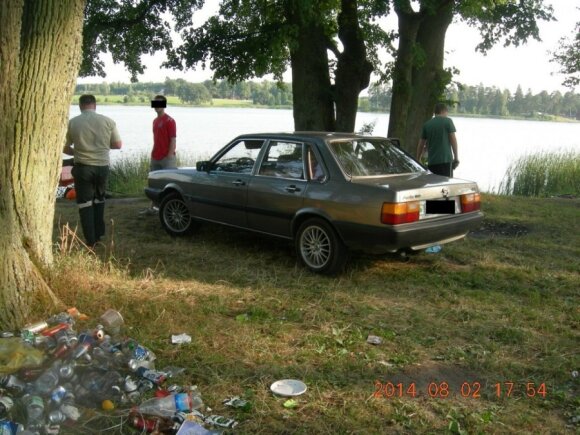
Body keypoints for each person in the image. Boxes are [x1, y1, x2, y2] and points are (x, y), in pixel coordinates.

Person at [63, 94, 122, 247]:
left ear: (80, 105)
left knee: (85, 203)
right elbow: (118, 144)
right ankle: (99, 233)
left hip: (83, 167)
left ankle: (91, 240)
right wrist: (100, 148)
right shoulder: (108, 121)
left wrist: (77, 152)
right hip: (102, 167)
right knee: (99, 199)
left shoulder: (73, 123)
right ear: (95, 105)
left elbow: (64, 146)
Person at [140, 95, 177, 215]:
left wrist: (169, 156)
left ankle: (171, 209)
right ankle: (153, 208)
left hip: (167, 158)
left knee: (170, 185)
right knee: (154, 184)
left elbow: (173, 139)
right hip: (155, 156)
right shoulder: (155, 121)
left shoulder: (170, 121)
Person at [416, 102, 459, 177]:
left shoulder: (427, 124)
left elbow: (421, 144)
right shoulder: (448, 121)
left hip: (432, 162)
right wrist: (456, 158)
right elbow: (453, 141)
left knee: (434, 186)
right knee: (446, 186)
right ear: (444, 111)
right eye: (446, 113)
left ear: (435, 112)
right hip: (445, 161)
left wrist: (418, 159)